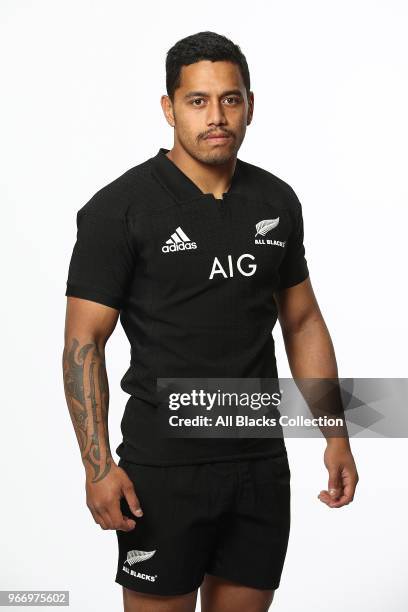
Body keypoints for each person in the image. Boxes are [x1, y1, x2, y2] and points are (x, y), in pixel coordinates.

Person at [63, 31, 359, 612]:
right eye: (198, 100)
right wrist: (98, 465)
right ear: (169, 107)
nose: (216, 116)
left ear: (251, 104)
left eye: (231, 99)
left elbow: (301, 323)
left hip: (258, 463)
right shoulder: (118, 210)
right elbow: (84, 343)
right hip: (163, 470)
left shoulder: (276, 200)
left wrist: (336, 432)